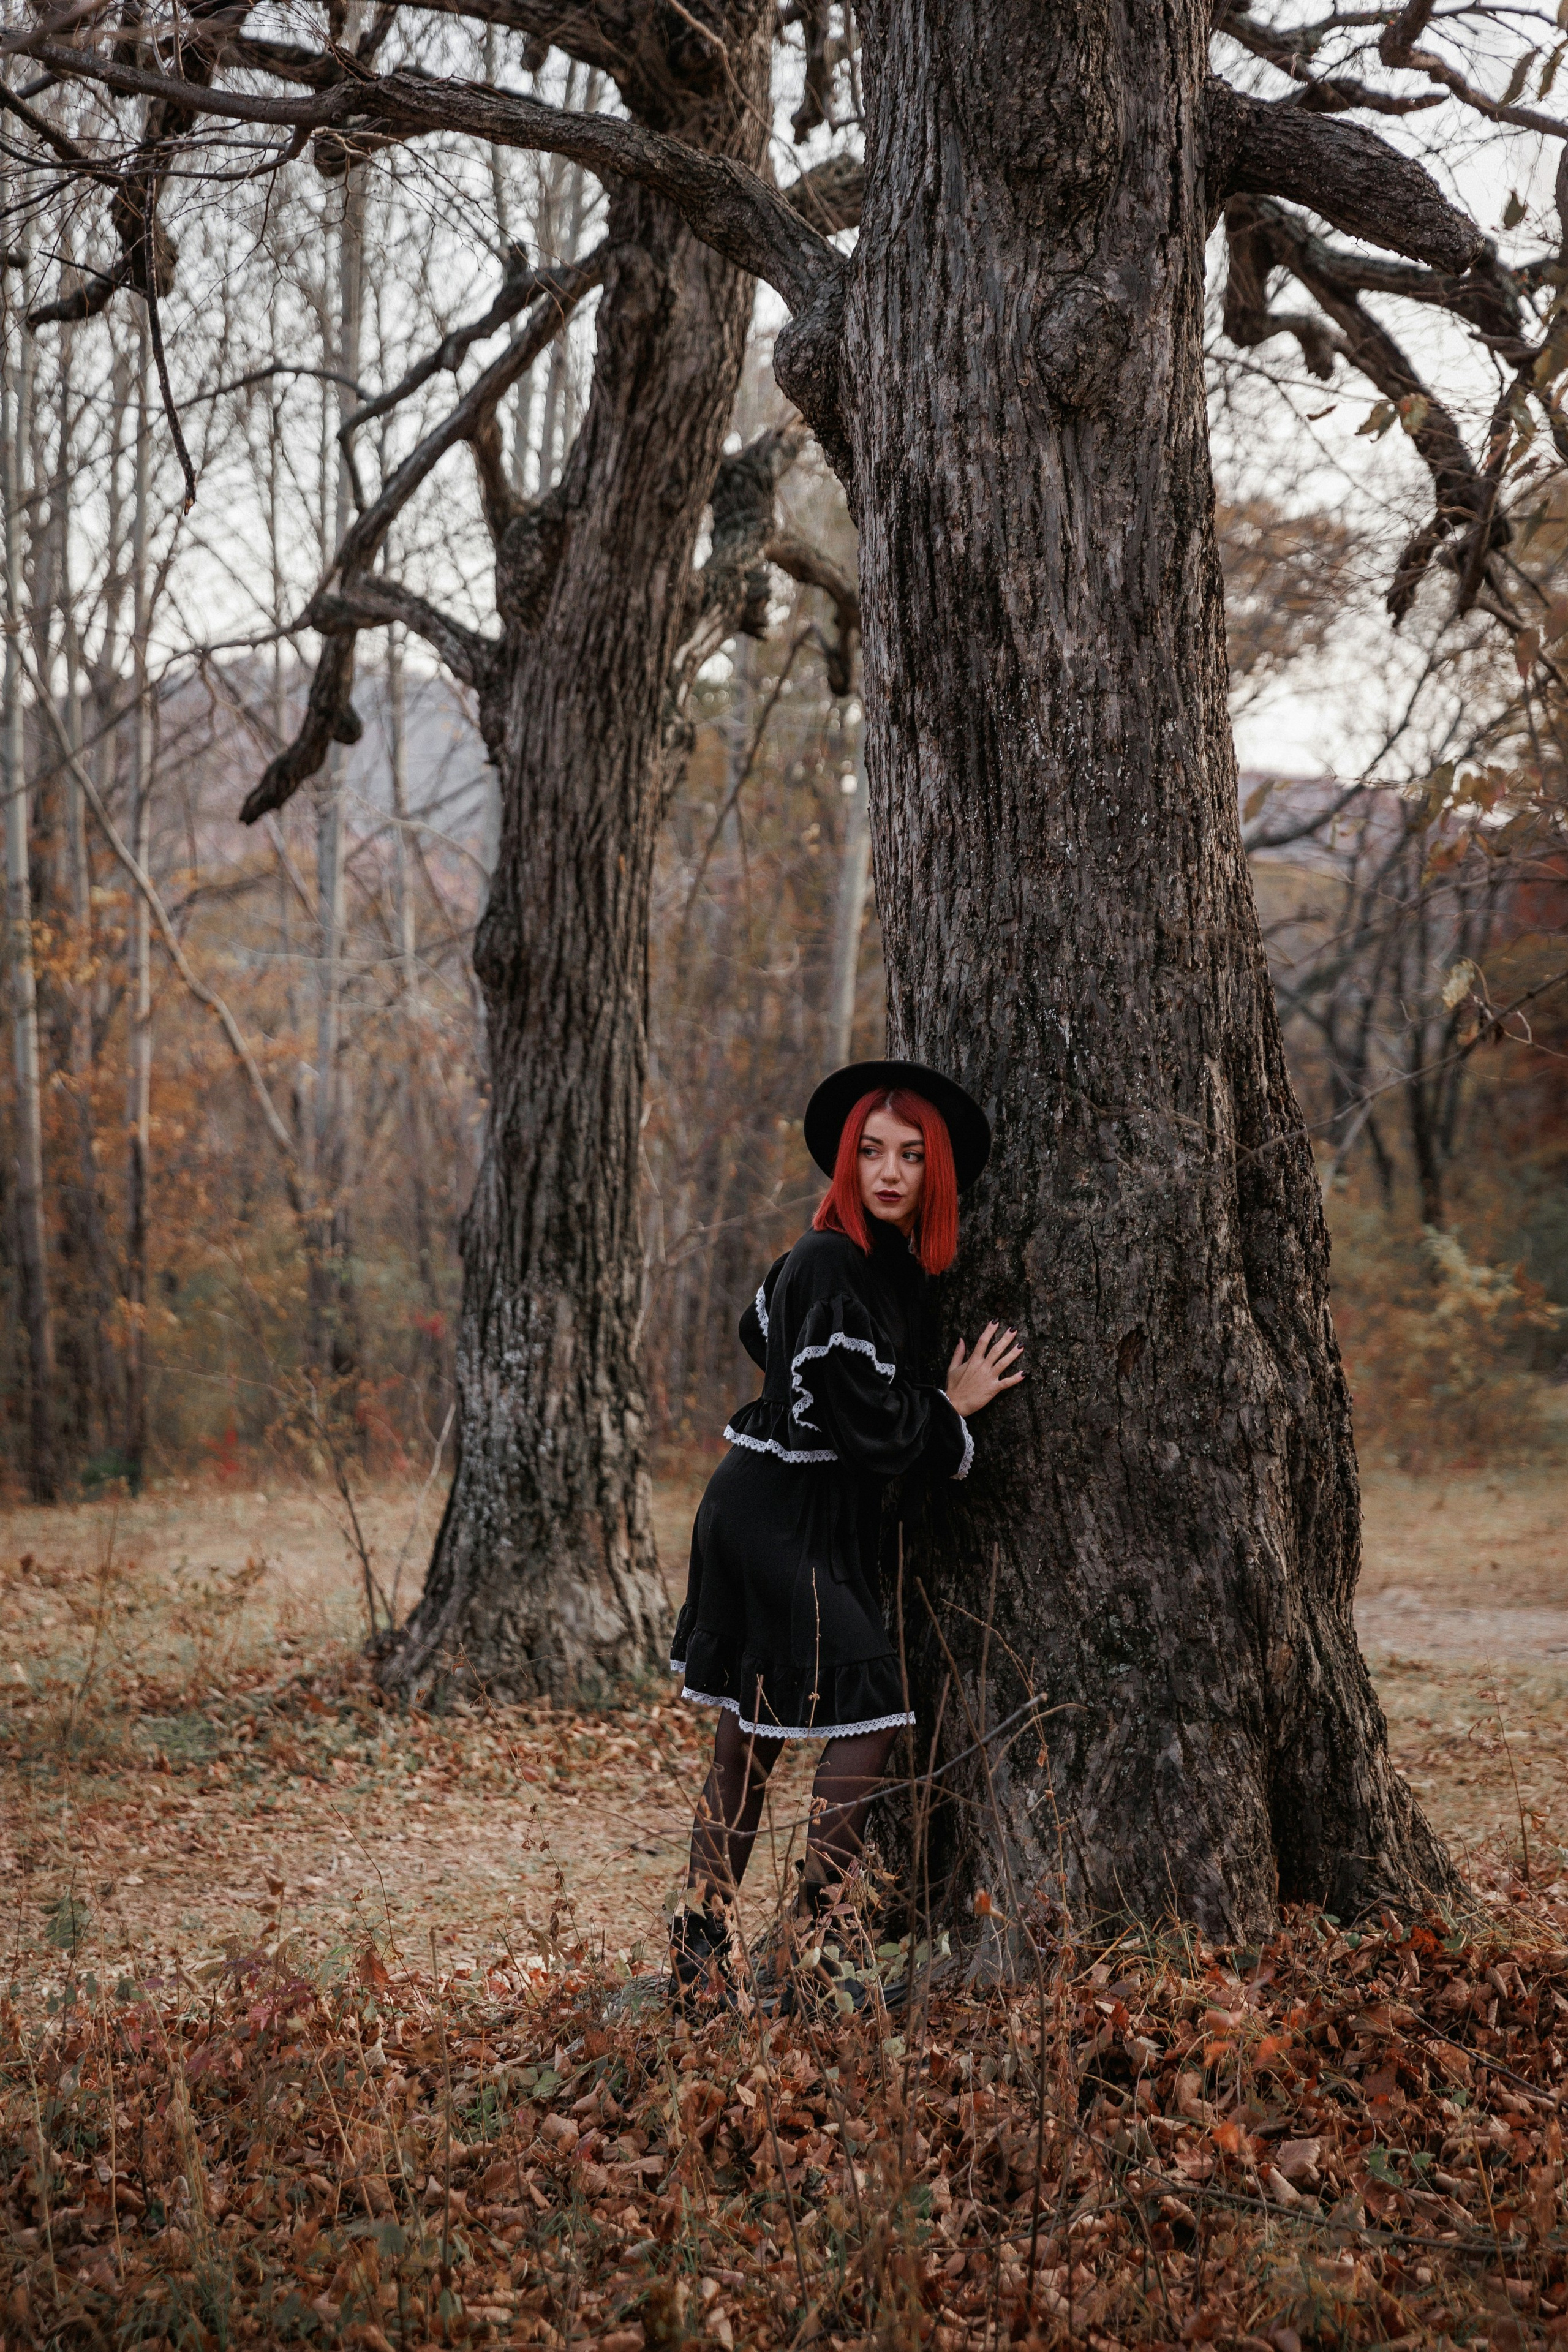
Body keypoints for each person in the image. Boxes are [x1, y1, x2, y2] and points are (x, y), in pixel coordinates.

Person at [668, 1058, 1022, 2007]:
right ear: (846, 1163)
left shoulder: (884, 1268)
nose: (889, 1172)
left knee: (749, 1733)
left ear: (935, 1170)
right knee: (872, 1715)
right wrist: (949, 1407)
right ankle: (808, 1946)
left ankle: (704, 1959)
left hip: (777, 1506)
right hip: (780, 1513)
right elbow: (868, 1427)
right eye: (870, 1152)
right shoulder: (830, 1256)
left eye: (910, 1155)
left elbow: (764, 1335)